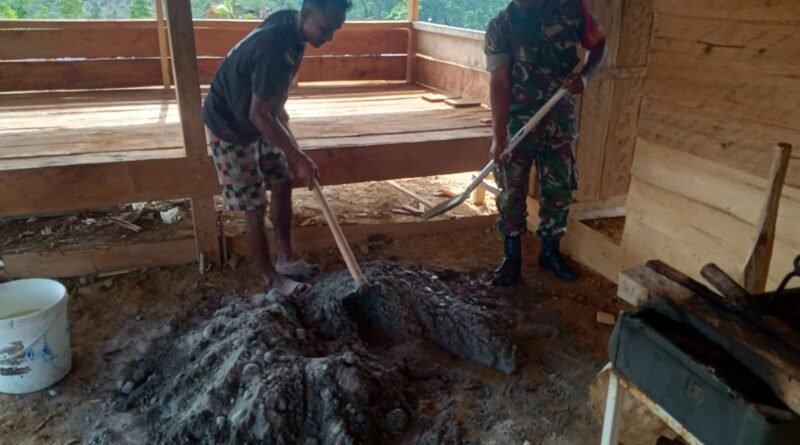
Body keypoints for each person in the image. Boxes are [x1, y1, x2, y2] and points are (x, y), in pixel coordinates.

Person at [201, 0, 352, 296]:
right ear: (306, 14)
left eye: (335, 29)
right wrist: (297, 155)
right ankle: (272, 280)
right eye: (325, 29)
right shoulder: (273, 50)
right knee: (254, 205)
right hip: (230, 127)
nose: (329, 37)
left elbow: (269, 100)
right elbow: (258, 114)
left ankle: (286, 258)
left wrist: (290, 140)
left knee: (282, 181)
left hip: (259, 116)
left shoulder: (292, 26)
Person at [484, 0, 607, 285]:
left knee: (559, 188)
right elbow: (499, 83)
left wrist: (585, 77)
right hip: (518, 125)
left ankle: (550, 253)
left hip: (558, 121)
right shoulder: (500, 27)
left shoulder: (572, 10)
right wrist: (498, 138)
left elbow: (600, 45)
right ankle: (511, 258)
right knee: (511, 190)